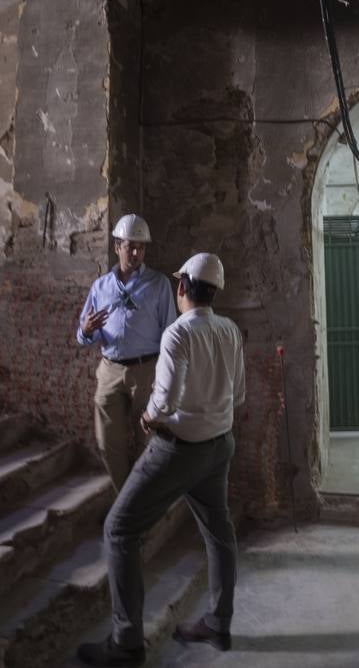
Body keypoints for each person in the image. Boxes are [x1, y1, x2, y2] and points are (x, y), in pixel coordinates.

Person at [77, 252, 246, 667]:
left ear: (182, 287)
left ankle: (126, 642)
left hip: (180, 448)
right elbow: (238, 394)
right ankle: (218, 624)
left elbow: (165, 400)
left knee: (118, 528)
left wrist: (149, 417)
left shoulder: (177, 334)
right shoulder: (228, 330)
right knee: (219, 532)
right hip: (220, 444)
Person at [77, 214, 178, 491]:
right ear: (116, 247)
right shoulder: (101, 287)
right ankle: (125, 497)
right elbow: (84, 336)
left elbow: (170, 333)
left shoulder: (158, 285)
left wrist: (164, 374)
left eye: (141, 247)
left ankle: (144, 499)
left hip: (146, 370)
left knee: (149, 441)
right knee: (107, 442)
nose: (135, 253)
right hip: (109, 369)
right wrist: (86, 330)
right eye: (130, 246)